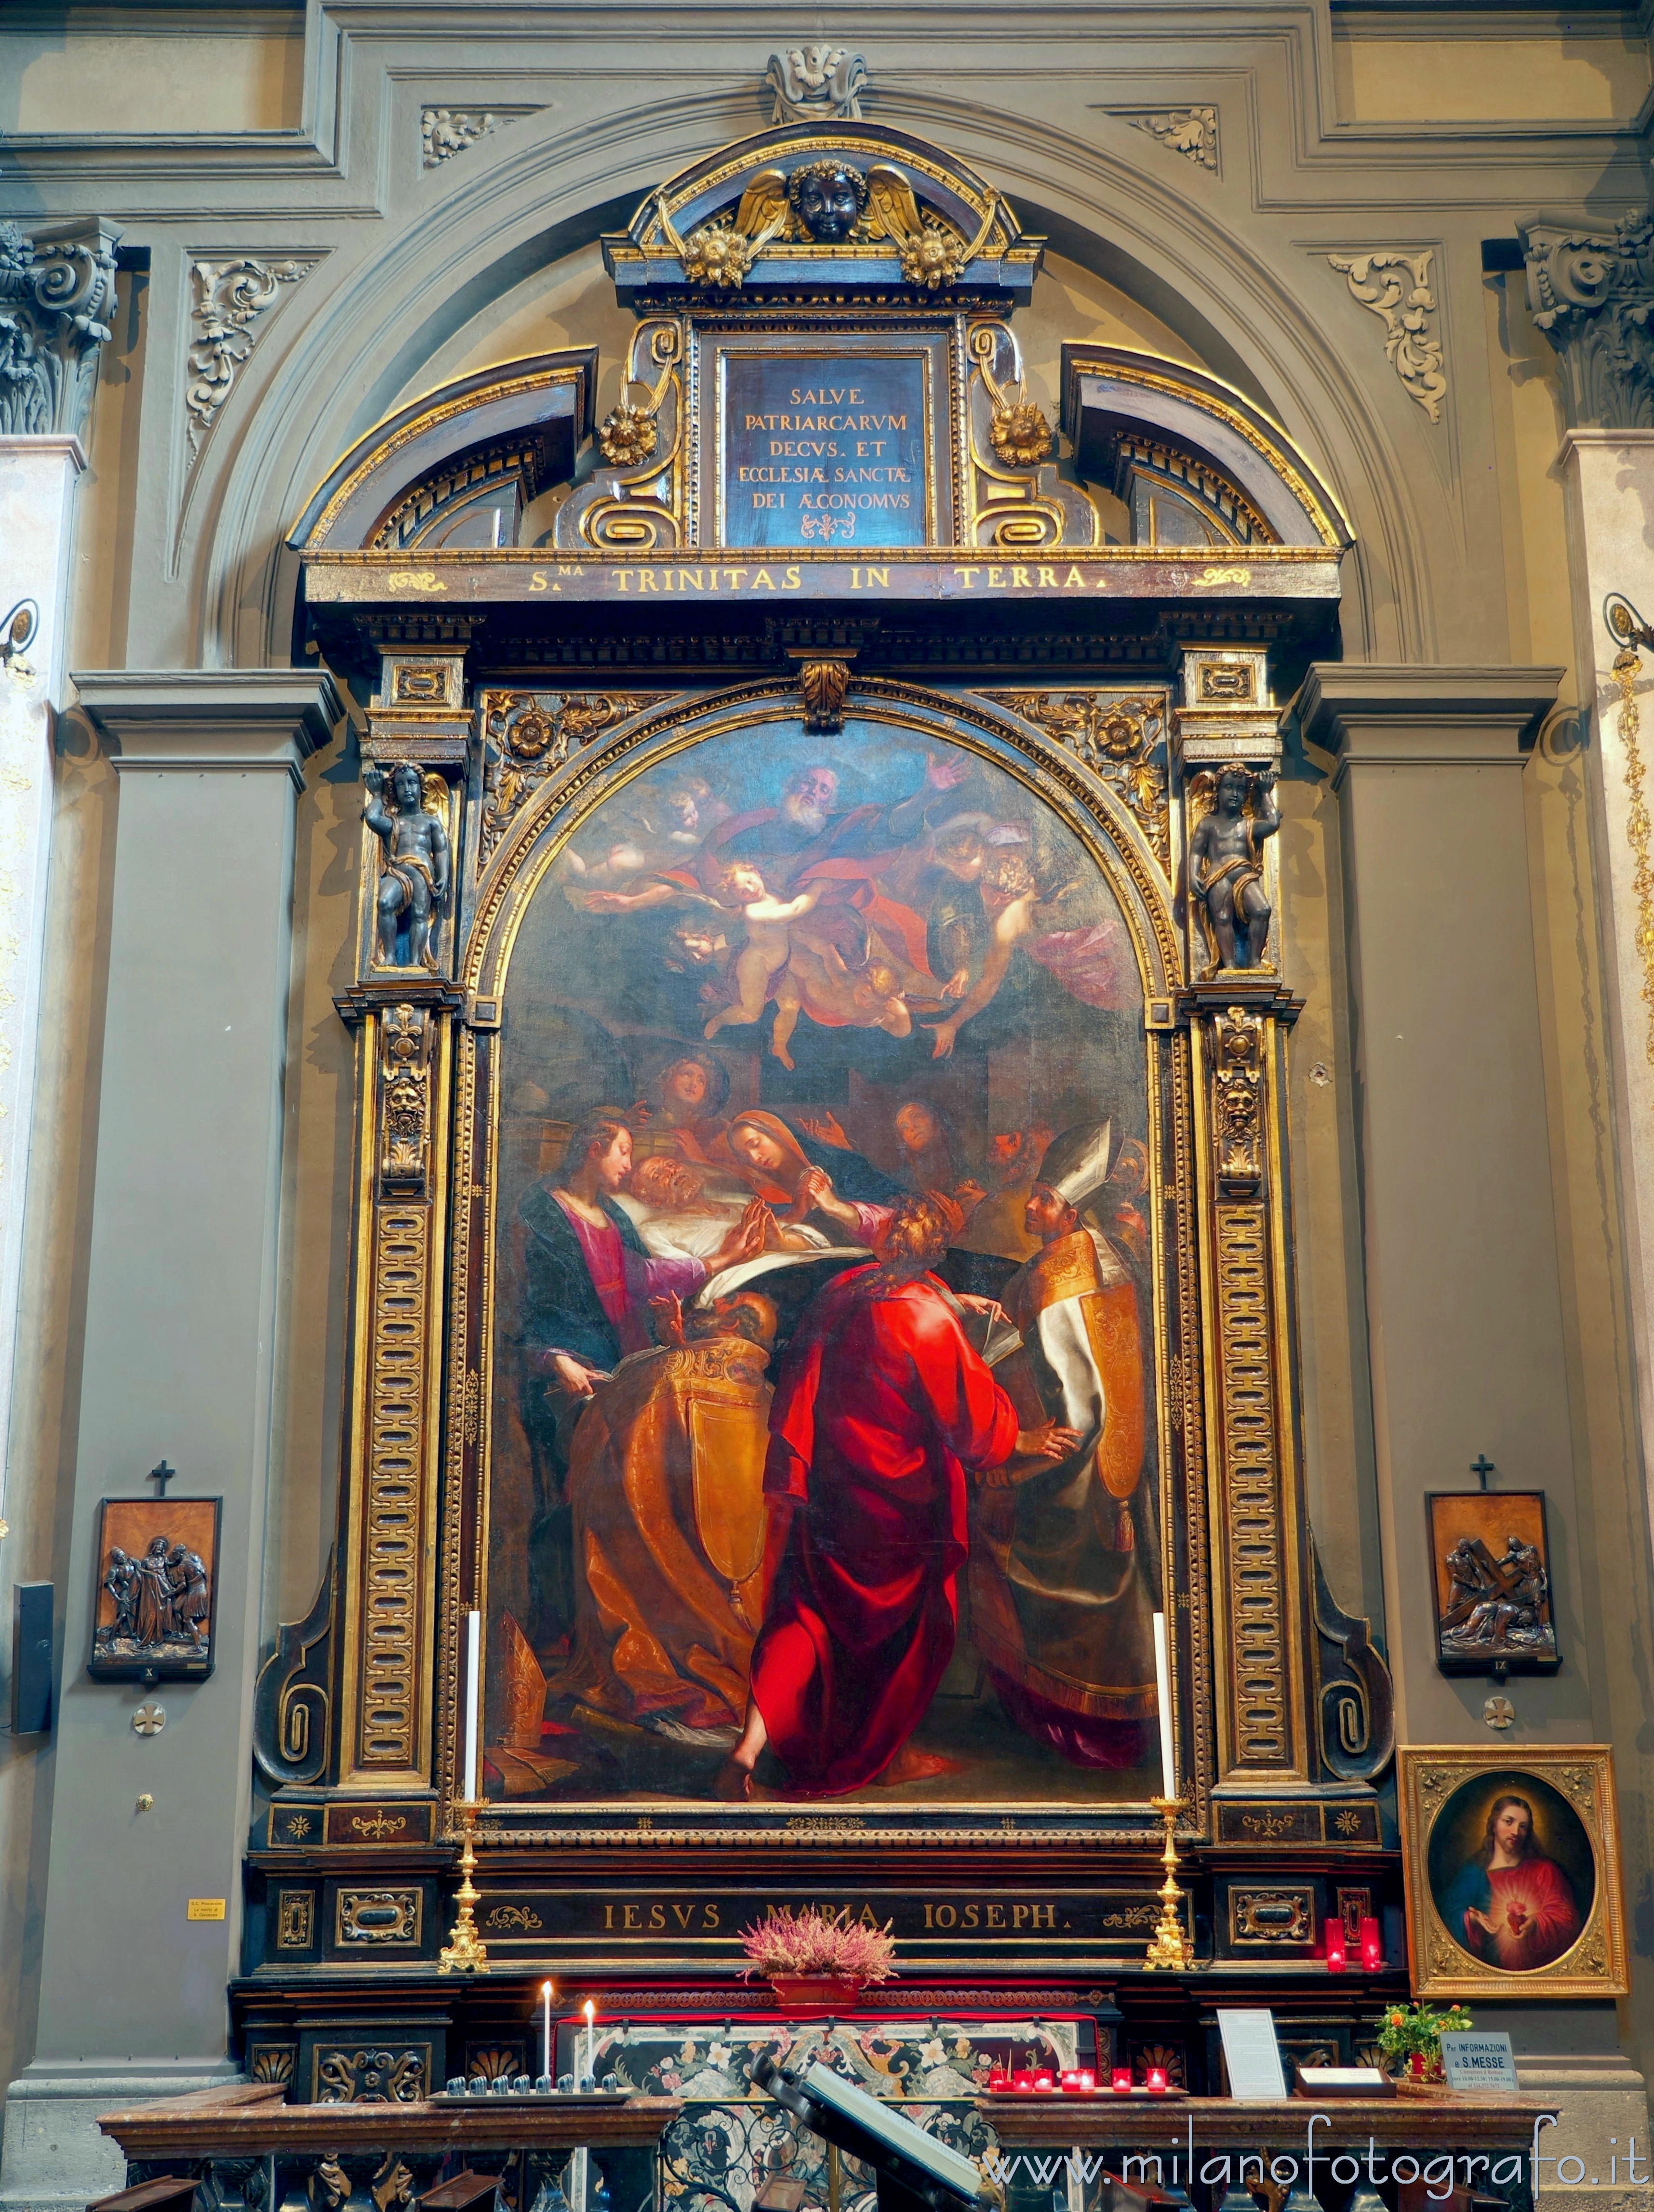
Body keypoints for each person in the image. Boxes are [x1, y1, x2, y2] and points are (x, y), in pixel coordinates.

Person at [716, 1192, 1078, 1799]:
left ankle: (747, 1751)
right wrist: (1028, 1438)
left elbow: (878, 1311)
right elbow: (976, 1425)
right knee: (904, 1632)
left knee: (805, 1613)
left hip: (830, 1492)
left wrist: (950, 1300)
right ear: (935, 1253)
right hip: (900, 1504)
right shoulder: (927, 1320)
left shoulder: (847, 1288)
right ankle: (888, 1757)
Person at [967, 1123, 1159, 1768]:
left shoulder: (1069, 1273)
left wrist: (1014, 1461)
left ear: (1071, 1211)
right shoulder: (1084, 1256)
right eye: (1034, 1194)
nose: (1030, 1207)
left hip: (1072, 1470)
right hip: (1082, 1462)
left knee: (1064, 1590)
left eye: (1044, 1199)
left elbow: (1083, 1393)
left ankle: (1082, 1732)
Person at [551, 1293, 780, 1743]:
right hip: (743, 1605)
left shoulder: (664, 1374)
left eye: (726, 1301)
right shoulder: (767, 1394)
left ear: (734, 1324)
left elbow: (597, 1435)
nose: (711, 1300)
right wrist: (675, 1341)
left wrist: (581, 1407)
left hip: (659, 1602)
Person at [1440, 1794, 1583, 1971]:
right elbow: (1447, 1922)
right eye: (1509, 1822)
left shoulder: (1545, 1870)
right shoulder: (1473, 1873)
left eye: (1523, 1827)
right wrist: (1472, 1919)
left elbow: (1567, 1919)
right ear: (1494, 1824)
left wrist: (1537, 1923)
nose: (1516, 1832)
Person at [722, 1109, 902, 1243]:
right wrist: (797, 1212)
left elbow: (900, 1212)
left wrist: (833, 1205)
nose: (754, 1158)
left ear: (777, 1133)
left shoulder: (842, 1164)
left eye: (755, 1144)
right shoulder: (767, 1196)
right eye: (745, 1156)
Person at [133, 1535, 176, 1647]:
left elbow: (168, 1574)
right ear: (154, 1547)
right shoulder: (146, 1560)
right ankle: (147, 1637)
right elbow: (140, 1574)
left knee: (163, 1612)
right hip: (150, 1591)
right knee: (151, 1613)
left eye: (162, 1547)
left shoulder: (164, 1560)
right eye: (158, 1546)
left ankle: (160, 1635)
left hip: (163, 1589)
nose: (160, 1548)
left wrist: (173, 1586)